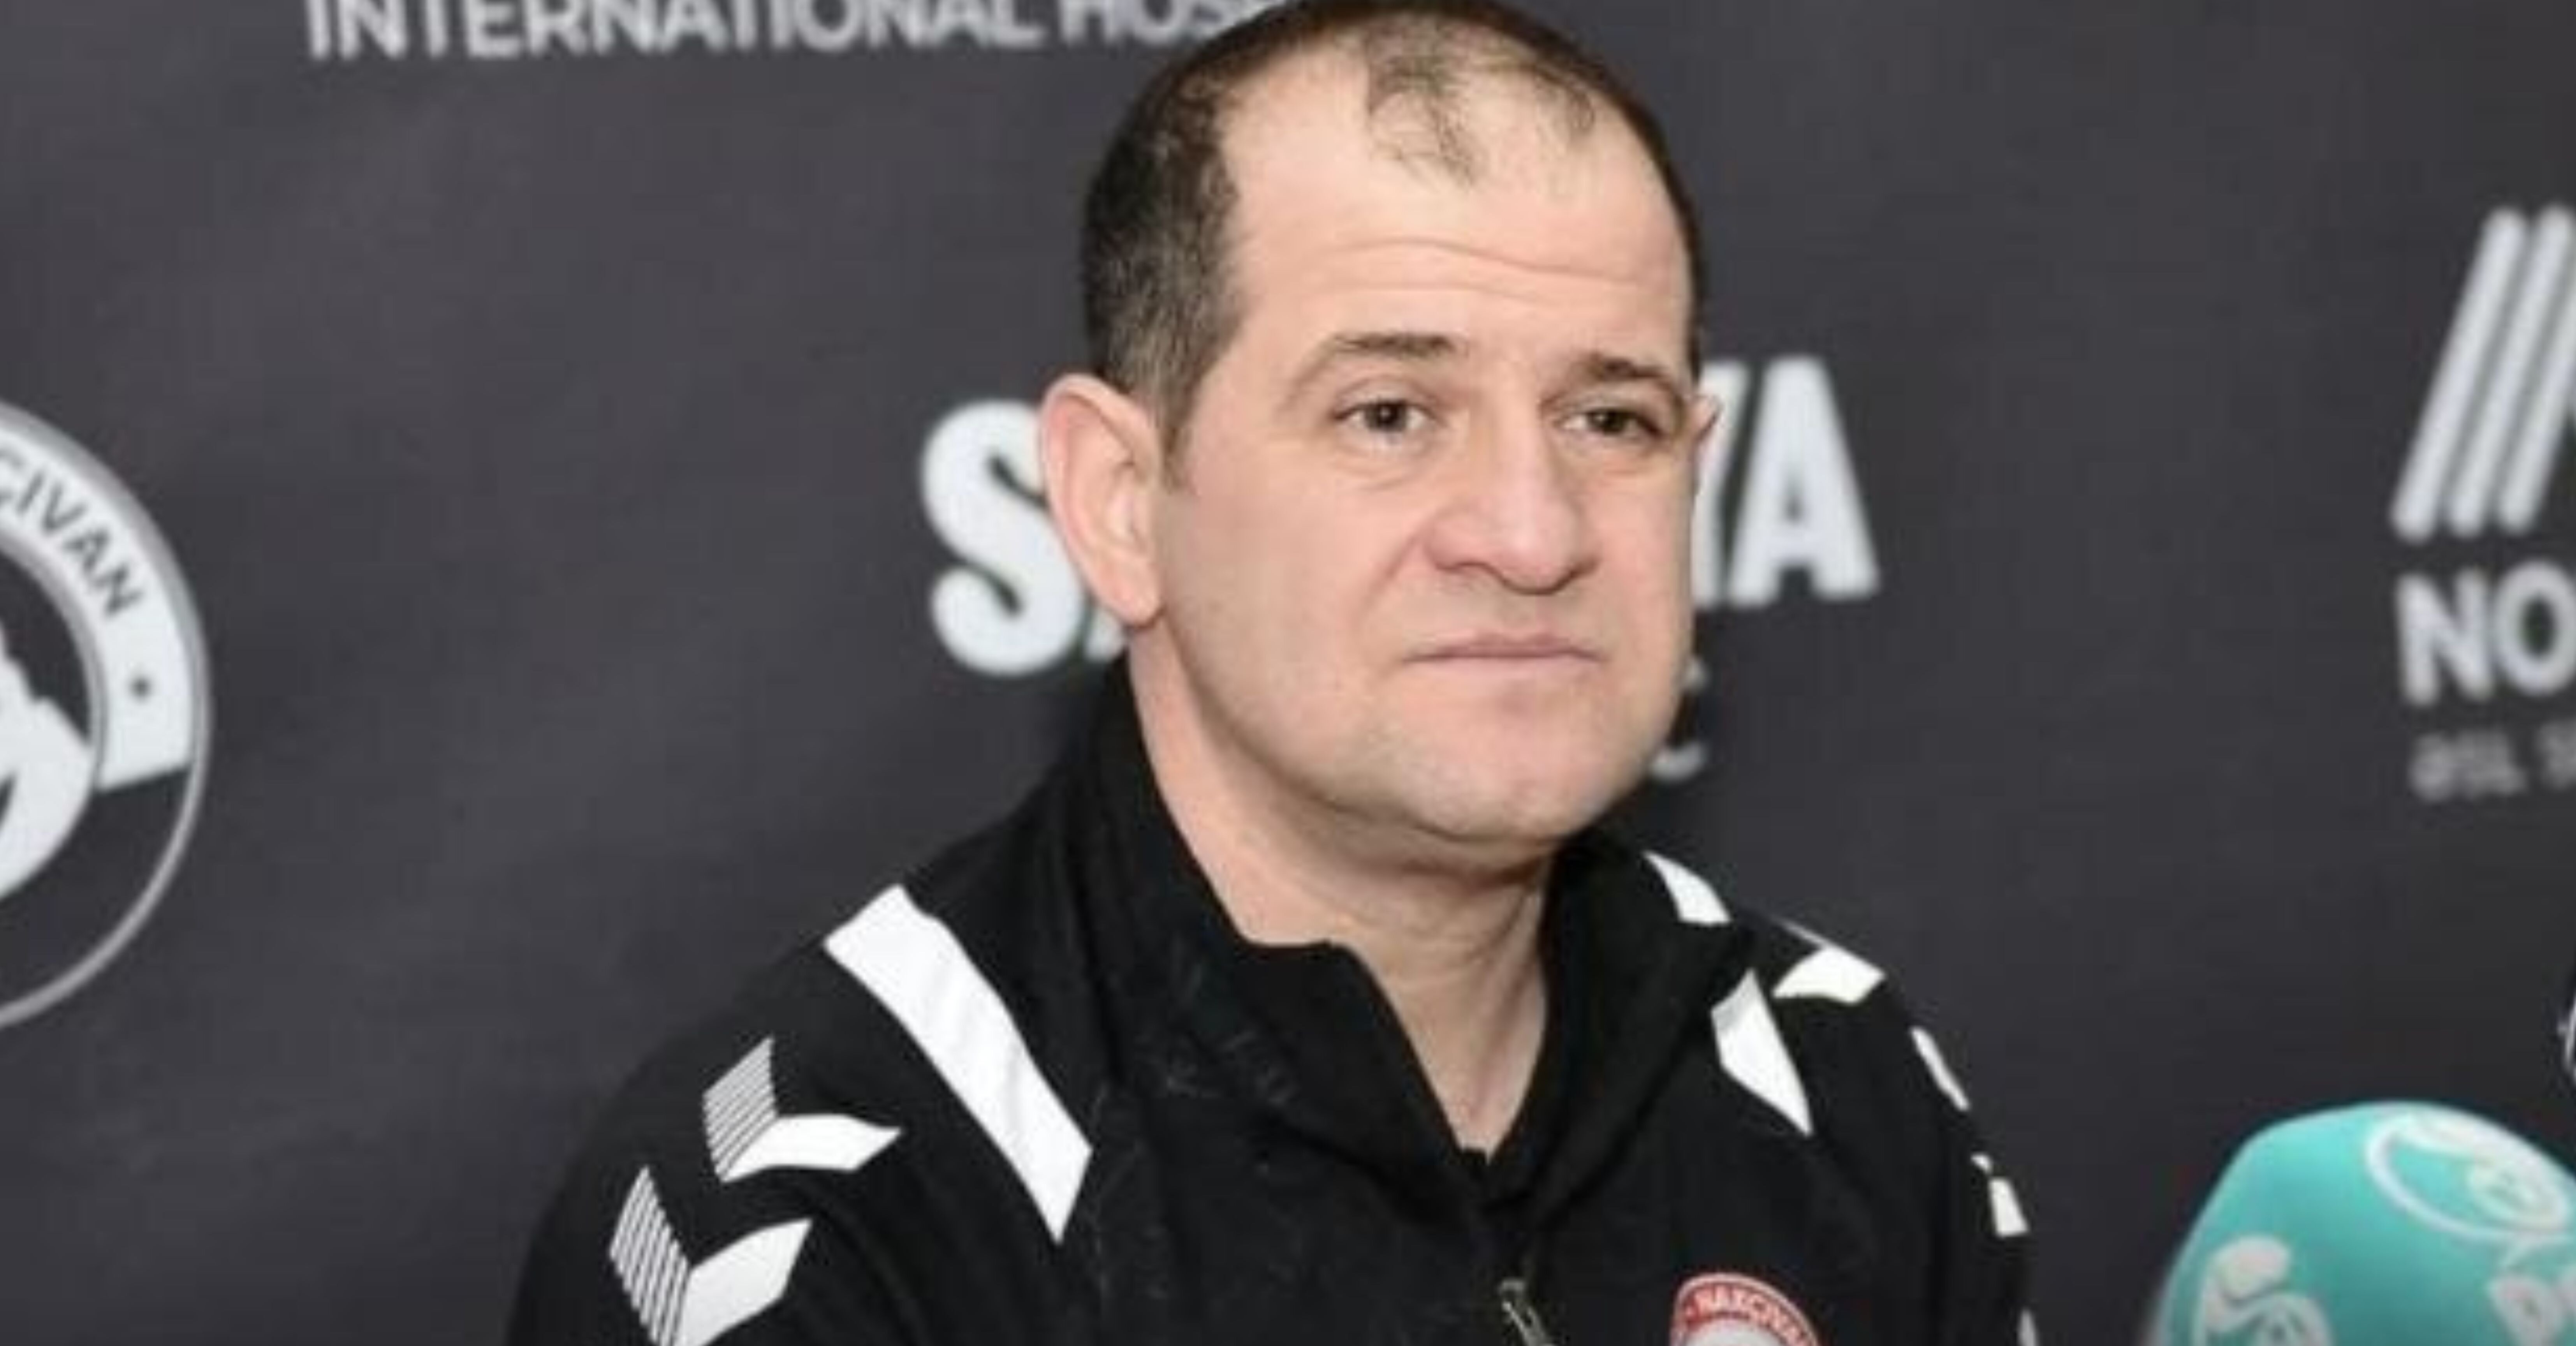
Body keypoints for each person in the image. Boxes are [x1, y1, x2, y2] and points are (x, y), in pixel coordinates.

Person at [510, 3, 2033, 1342]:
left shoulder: (1839, 1080)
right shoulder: (821, 1221)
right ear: (1120, 503)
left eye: (1611, 420)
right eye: (1389, 414)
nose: (1532, 533)